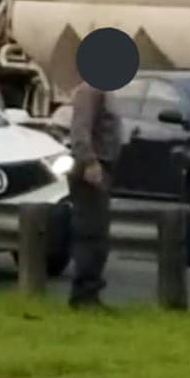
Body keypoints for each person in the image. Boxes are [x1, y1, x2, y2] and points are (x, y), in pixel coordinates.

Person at [67, 82, 122, 310]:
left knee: (98, 233)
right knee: (91, 233)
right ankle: (84, 293)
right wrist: (89, 161)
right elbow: (80, 131)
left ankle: (90, 291)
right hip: (91, 170)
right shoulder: (90, 90)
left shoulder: (103, 90)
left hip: (102, 167)